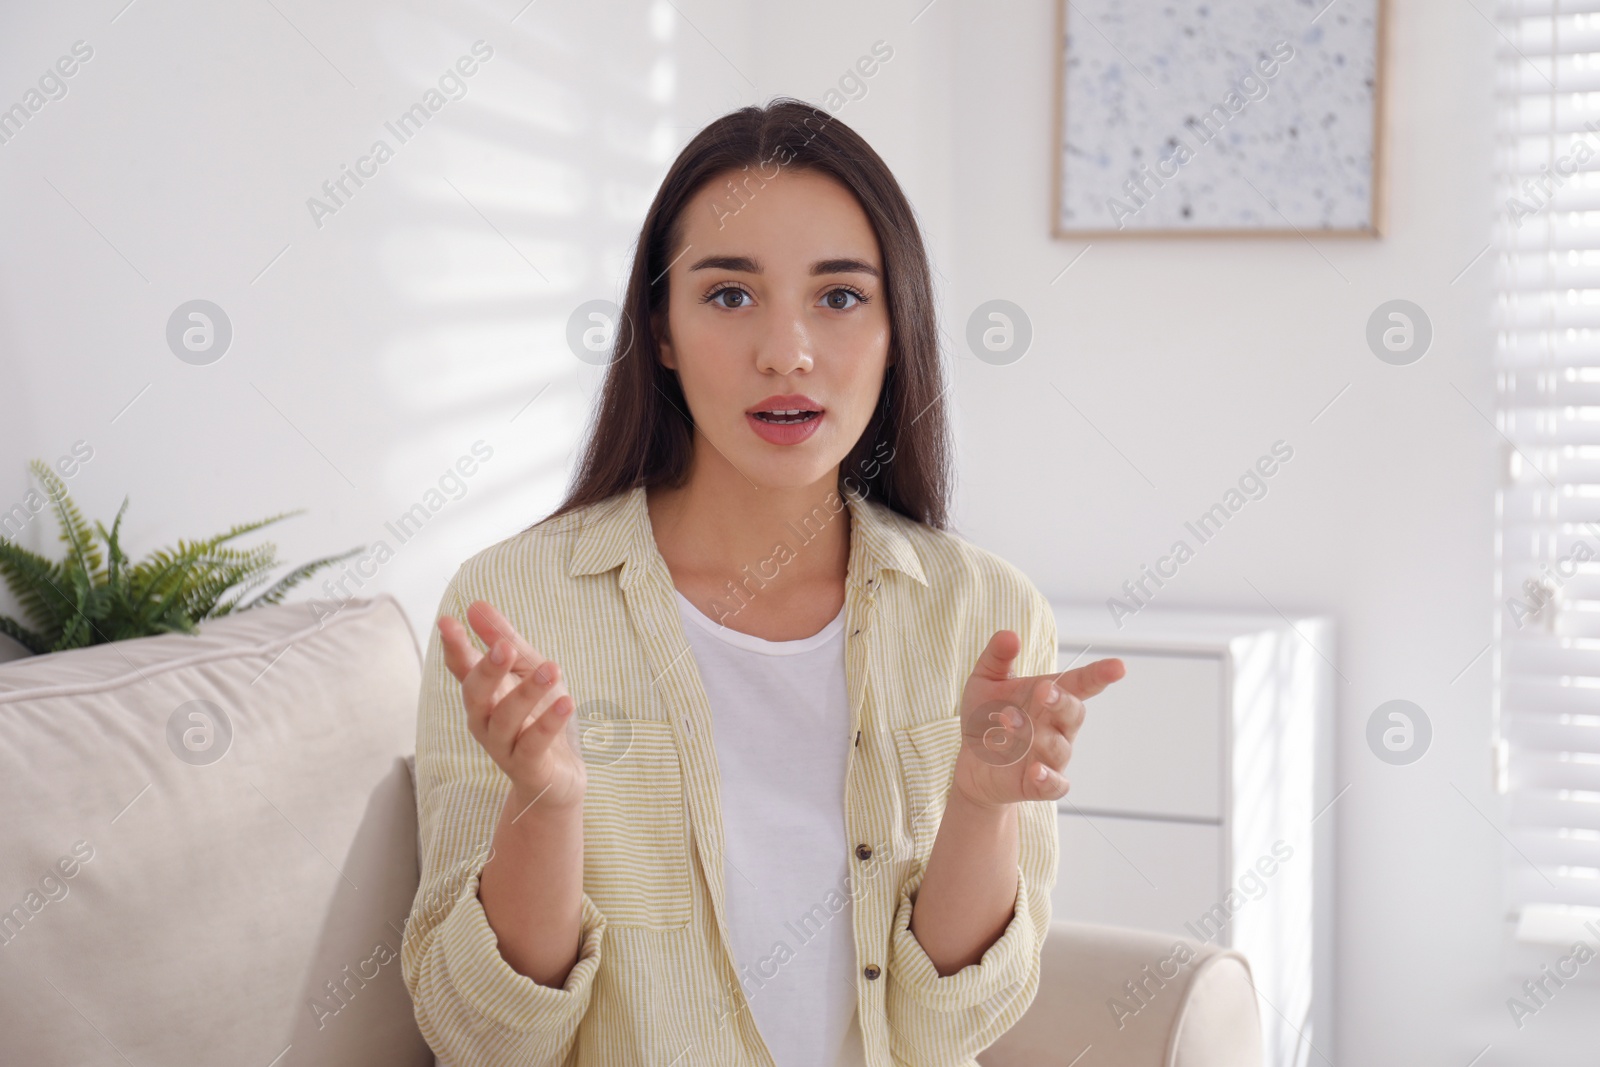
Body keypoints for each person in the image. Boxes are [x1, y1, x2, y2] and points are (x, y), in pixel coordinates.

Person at [400, 98, 1124, 1067]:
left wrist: (981, 805)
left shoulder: (984, 612)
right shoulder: (514, 605)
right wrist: (545, 803)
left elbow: (947, 1026)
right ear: (659, 329)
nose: (786, 352)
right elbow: (480, 1035)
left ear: (897, 328)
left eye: (838, 296)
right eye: (730, 295)